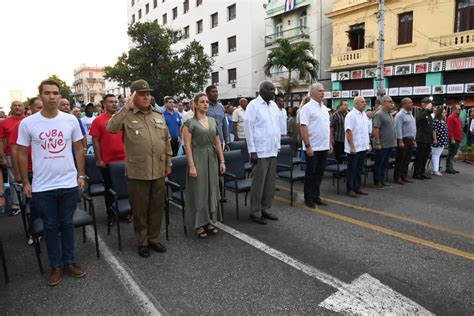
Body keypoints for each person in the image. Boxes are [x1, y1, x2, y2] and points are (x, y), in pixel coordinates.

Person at [17, 79, 87, 286]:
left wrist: (81, 175)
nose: (52, 97)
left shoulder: (70, 120)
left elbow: (78, 148)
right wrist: (25, 182)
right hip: (42, 186)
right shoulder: (28, 123)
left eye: (55, 93)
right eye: (47, 93)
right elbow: (20, 153)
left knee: (67, 223)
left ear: (59, 95)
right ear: (40, 96)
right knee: (50, 226)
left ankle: (70, 262)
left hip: (68, 183)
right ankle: (55, 266)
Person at [107, 79, 172, 258]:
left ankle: (153, 238)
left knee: (157, 207)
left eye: (148, 94)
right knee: (140, 208)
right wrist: (125, 108)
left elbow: (166, 140)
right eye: (142, 94)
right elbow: (110, 128)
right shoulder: (126, 115)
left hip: (158, 169)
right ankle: (142, 241)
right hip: (138, 172)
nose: (147, 97)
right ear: (133, 96)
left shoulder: (158, 115)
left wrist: (168, 163)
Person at [182, 93, 225, 238]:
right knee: (199, 191)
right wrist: (192, 166)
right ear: (195, 104)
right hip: (197, 157)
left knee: (211, 189)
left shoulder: (213, 121)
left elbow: (218, 142)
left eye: (207, 102)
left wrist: (222, 161)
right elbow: (187, 146)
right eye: (202, 102)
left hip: (211, 158)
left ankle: (208, 220)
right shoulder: (189, 123)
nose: (205, 104)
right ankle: (199, 223)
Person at [245, 81, 281, 224]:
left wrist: (277, 146)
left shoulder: (273, 106)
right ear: (262, 91)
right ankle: (255, 211)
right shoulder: (253, 106)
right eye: (271, 89)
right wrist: (252, 151)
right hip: (259, 151)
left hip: (272, 150)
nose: (274, 92)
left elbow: (276, 128)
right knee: (258, 184)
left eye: (274, 90)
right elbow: (249, 129)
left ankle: (265, 208)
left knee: (269, 184)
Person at [89, 94, 127, 225]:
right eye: (111, 102)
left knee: (125, 188)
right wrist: (99, 160)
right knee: (110, 189)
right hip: (108, 162)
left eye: (115, 102)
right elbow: (95, 141)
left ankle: (124, 213)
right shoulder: (98, 120)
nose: (114, 104)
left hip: (124, 160)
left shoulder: (122, 119)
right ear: (104, 104)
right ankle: (110, 215)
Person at [299, 83, 331, 208]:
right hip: (312, 147)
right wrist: (308, 146)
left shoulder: (324, 108)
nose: (323, 93)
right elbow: (303, 127)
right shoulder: (307, 108)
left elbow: (326, 127)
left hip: (323, 146)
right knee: (310, 174)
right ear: (312, 93)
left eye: (323, 91)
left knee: (320, 173)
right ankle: (308, 198)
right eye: (320, 91)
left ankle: (316, 196)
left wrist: (329, 143)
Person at [0, 100, 26, 215]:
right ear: (11, 108)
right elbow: (1, 141)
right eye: (14, 105)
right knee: (14, 180)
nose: (17, 107)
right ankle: (16, 204)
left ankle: (28, 201)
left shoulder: (29, 121)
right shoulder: (4, 123)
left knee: (29, 177)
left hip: (28, 155)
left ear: (23, 108)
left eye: (19, 105)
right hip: (11, 155)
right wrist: (3, 157)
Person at [344, 96, 370, 198]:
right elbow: (348, 131)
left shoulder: (363, 114)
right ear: (356, 104)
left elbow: (365, 131)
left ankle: (357, 187)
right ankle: (349, 189)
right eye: (362, 102)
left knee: (359, 169)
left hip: (363, 147)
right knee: (352, 169)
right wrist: (352, 146)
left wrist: (368, 144)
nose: (365, 103)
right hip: (354, 148)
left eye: (365, 102)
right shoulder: (351, 115)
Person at [372, 96, 397, 189]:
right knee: (379, 163)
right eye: (390, 102)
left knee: (385, 163)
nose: (392, 103)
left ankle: (382, 181)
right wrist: (378, 142)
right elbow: (376, 128)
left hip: (389, 144)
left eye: (392, 101)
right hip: (382, 144)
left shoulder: (389, 114)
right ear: (384, 103)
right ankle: (377, 181)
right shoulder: (379, 114)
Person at [394, 98, 417, 184]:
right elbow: (398, 129)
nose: (412, 104)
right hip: (403, 139)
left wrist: (413, 139)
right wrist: (400, 141)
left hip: (410, 139)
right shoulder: (400, 115)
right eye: (410, 102)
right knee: (401, 159)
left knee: (407, 159)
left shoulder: (410, 114)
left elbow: (412, 127)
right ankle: (398, 177)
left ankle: (404, 175)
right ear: (404, 104)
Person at [413, 97, 435, 180]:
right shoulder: (421, 112)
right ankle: (416, 173)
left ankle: (422, 172)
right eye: (430, 104)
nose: (431, 106)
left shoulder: (429, 114)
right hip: (421, 139)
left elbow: (430, 127)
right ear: (424, 104)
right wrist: (426, 109)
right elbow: (419, 119)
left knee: (425, 157)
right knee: (420, 157)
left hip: (427, 139)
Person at [431, 107, 448, 176]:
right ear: (440, 113)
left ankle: (434, 169)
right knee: (436, 155)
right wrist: (435, 139)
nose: (445, 114)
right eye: (444, 112)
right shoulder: (436, 121)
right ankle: (435, 170)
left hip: (442, 140)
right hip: (438, 140)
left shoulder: (442, 121)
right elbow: (434, 131)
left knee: (437, 155)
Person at [446, 104, 462, 174]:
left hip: (458, 138)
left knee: (453, 153)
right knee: (451, 153)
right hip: (454, 138)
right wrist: (452, 138)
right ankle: (448, 168)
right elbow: (450, 129)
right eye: (459, 109)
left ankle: (451, 167)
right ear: (454, 109)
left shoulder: (458, 118)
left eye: (460, 109)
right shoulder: (451, 117)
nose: (460, 110)